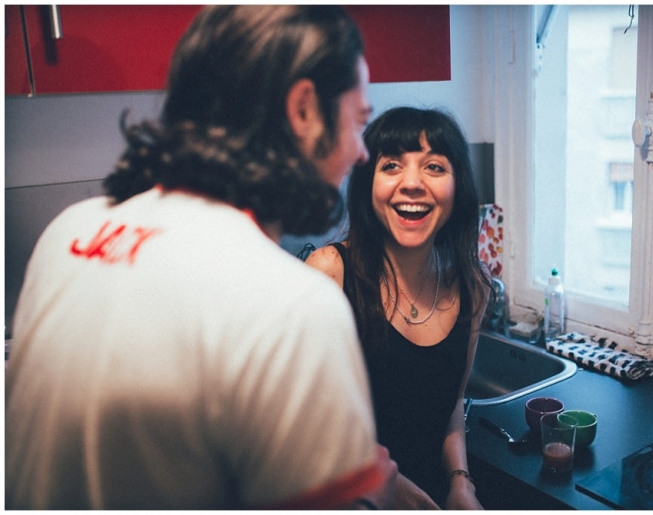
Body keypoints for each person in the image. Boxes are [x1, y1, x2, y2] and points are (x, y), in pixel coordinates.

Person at [5, 6, 397, 509]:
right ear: (303, 110)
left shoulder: (68, 230)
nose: (361, 152)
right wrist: (374, 497)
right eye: (358, 121)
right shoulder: (292, 305)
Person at [307, 106, 492, 509]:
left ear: (457, 187)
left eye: (434, 167)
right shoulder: (329, 274)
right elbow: (309, 424)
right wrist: (392, 489)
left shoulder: (473, 288)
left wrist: (462, 483)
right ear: (367, 185)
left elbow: (450, 407)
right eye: (391, 165)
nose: (412, 183)